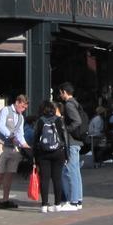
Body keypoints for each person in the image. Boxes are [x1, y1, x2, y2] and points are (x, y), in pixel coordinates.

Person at [0, 95, 31, 209]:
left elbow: (20, 134)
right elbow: (1, 127)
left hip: (13, 148)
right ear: (17, 102)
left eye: (25, 108)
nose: (23, 109)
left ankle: (5, 199)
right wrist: (10, 135)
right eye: (22, 106)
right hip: (1, 145)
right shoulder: (5, 110)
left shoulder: (21, 117)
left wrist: (25, 145)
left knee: (10, 174)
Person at [31, 100, 67, 212]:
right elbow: (63, 136)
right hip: (58, 152)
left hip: (43, 153)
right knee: (57, 178)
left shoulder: (40, 121)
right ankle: (57, 204)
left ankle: (44, 205)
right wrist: (66, 154)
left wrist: (35, 157)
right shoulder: (58, 120)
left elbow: (35, 138)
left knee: (44, 179)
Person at [58, 83, 86, 211]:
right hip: (77, 141)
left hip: (72, 142)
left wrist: (66, 129)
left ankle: (73, 201)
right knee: (75, 171)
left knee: (70, 171)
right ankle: (78, 200)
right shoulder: (76, 103)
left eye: (60, 93)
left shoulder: (69, 105)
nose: (60, 95)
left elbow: (77, 121)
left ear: (64, 92)